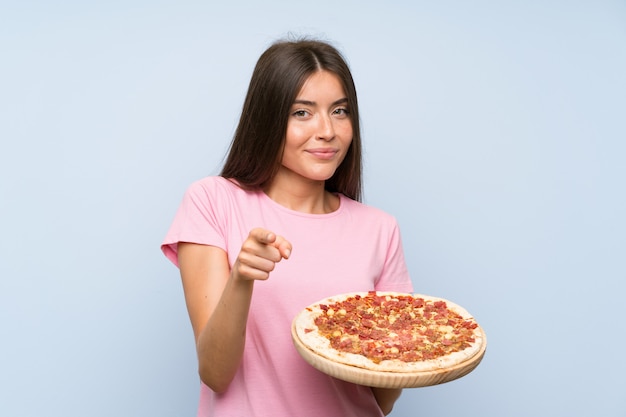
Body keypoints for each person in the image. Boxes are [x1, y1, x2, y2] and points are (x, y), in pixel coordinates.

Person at [161, 38, 414, 417]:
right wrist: (241, 278)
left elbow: (384, 392)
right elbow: (215, 373)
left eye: (340, 111)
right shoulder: (213, 201)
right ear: (267, 119)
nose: (327, 130)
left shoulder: (380, 228)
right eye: (302, 113)